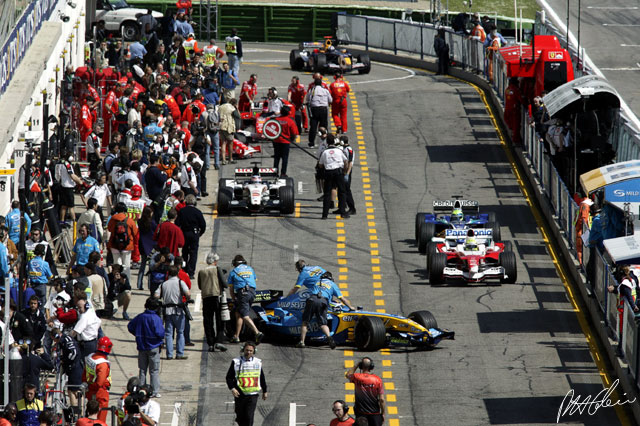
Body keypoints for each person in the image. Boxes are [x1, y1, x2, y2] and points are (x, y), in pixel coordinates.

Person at [296, 271, 354, 349]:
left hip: (311, 300)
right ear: (330, 278)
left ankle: (302, 342)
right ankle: (329, 337)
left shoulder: (316, 282)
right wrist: (351, 307)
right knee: (323, 324)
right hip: (323, 301)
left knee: (305, 322)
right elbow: (342, 298)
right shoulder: (332, 285)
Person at [128, 297, 165, 397]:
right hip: (153, 347)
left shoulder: (140, 317)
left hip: (142, 347)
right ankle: (154, 391)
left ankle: (141, 389)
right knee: (154, 371)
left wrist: (138, 334)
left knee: (142, 370)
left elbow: (130, 326)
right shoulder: (156, 319)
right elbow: (160, 333)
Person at [225, 341, 267, 426]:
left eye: (251, 351)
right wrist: (232, 389)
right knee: (240, 417)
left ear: (254, 351)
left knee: (249, 416)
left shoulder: (257, 362)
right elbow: (229, 377)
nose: (248, 352)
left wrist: (265, 391)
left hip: (253, 395)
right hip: (240, 394)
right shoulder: (236, 362)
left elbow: (261, 377)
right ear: (243, 350)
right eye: (247, 350)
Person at [154, 265, 190, 360]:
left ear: (168, 273)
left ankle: (169, 355)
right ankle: (179, 353)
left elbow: (156, 295)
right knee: (180, 332)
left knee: (168, 334)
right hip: (178, 310)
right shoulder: (180, 282)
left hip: (167, 311)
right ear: (177, 273)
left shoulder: (163, 284)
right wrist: (187, 299)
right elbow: (188, 293)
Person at [227, 255, 263, 344]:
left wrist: (233, 298)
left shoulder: (233, 272)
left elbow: (231, 289)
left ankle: (257, 332)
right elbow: (254, 280)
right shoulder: (250, 269)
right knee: (239, 313)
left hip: (242, 293)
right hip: (252, 292)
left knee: (245, 315)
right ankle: (236, 336)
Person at [198, 252, 228, 352]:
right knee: (220, 319)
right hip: (216, 296)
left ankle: (210, 343)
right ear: (215, 261)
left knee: (208, 321)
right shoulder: (217, 269)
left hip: (206, 297)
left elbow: (200, 286)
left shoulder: (201, 271)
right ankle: (219, 341)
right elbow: (224, 284)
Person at [346, 357, 386, 426]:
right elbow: (382, 400)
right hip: (375, 414)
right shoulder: (377, 380)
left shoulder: (357, 377)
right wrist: (383, 413)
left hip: (361, 413)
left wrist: (356, 365)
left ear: (361, 366)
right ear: (371, 367)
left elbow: (348, 375)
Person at [51, 327, 84, 407]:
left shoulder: (67, 340)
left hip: (75, 367)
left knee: (74, 390)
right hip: (72, 367)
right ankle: (77, 410)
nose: (54, 341)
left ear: (56, 336)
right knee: (73, 390)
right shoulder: (63, 340)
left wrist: (64, 360)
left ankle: (77, 411)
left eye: (53, 339)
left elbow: (73, 353)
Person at [84, 336, 113, 423]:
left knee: (90, 416)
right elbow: (100, 382)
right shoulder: (102, 364)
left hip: (90, 390)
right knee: (100, 419)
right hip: (100, 393)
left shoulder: (90, 357)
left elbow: (84, 373)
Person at [175, 194, 206, 278]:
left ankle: (184, 269)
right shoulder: (197, 212)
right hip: (194, 234)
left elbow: (177, 223)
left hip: (184, 233)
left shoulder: (182, 211)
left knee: (184, 252)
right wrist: (200, 233)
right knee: (193, 253)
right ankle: (191, 272)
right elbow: (203, 225)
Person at [318, 137, 349, 219]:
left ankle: (324, 215)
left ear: (327, 143)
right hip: (338, 172)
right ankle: (343, 212)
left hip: (328, 173)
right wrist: (345, 171)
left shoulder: (324, 152)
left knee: (327, 193)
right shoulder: (339, 151)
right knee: (342, 192)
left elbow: (320, 165)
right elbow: (346, 161)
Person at [107, 202, 139, 277]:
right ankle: (126, 282)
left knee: (117, 264)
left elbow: (109, 229)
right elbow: (135, 232)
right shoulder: (129, 220)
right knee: (126, 265)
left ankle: (116, 280)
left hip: (115, 244)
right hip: (127, 245)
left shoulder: (113, 219)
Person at [270, 105, 299, 178]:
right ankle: (283, 173)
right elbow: (294, 133)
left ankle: (275, 172)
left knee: (276, 157)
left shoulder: (276, 120)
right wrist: (291, 140)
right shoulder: (290, 121)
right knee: (285, 158)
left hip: (276, 140)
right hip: (285, 142)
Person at [71, 291, 102, 358]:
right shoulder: (91, 311)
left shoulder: (84, 317)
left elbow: (74, 332)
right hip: (93, 342)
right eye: (78, 308)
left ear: (85, 306)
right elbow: (99, 322)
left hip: (87, 344)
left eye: (80, 307)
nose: (79, 310)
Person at [305, 78, 332, 148]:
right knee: (324, 126)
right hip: (323, 109)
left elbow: (307, 99)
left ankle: (311, 143)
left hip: (314, 110)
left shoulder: (312, 90)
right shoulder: (325, 90)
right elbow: (330, 100)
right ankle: (326, 142)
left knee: (313, 126)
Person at [218, 98, 238, 164]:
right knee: (230, 143)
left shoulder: (220, 107)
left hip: (221, 126)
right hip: (228, 127)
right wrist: (237, 108)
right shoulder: (232, 108)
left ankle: (223, 159)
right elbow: (238, 116)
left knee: (223, 143)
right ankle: (230, 159)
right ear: (234, 104)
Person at [504, 77, 523, 144]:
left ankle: (514, 136)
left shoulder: (507, 89)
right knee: (516, 126)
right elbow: (521, 99)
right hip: (514, 111)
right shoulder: (516, 90)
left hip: (507, 110)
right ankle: (516, 140)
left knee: (511, 125)